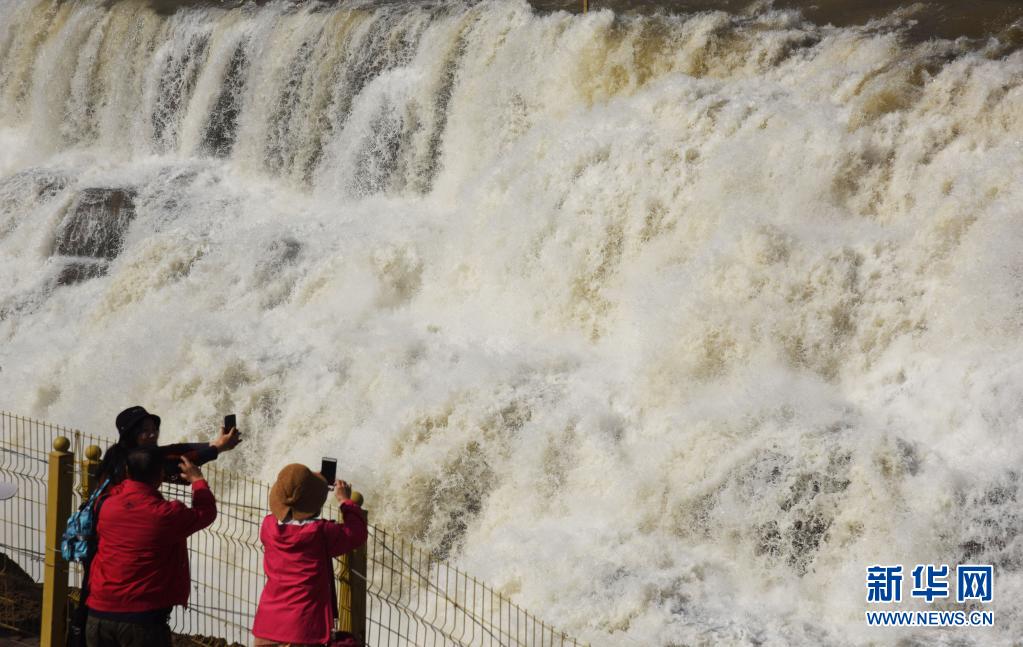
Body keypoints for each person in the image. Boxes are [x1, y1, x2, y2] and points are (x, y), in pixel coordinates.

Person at [86, 447, 216, 647]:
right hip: (142, 619)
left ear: (127, 471)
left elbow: (116, 486)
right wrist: (197, 480)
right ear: (161, 474)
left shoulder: (105, 503)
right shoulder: (166, 515)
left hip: (98, 612)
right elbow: (205, 512)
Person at [251, 464, 368, 646]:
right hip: (304, 629)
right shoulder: (321, 533)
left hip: (268, 626)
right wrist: (346, 502)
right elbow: (356, 533)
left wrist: (310, 487)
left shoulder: (268, 526)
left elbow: (289, 517)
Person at [97, 405, 241, 485]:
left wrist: (214, 443)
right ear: (130, 436)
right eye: (145, 431)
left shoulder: (123, 453)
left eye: (154, 429)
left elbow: (176, 449)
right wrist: (219, 448)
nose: (153, 434)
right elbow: (178, 462)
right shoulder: (131, 463)